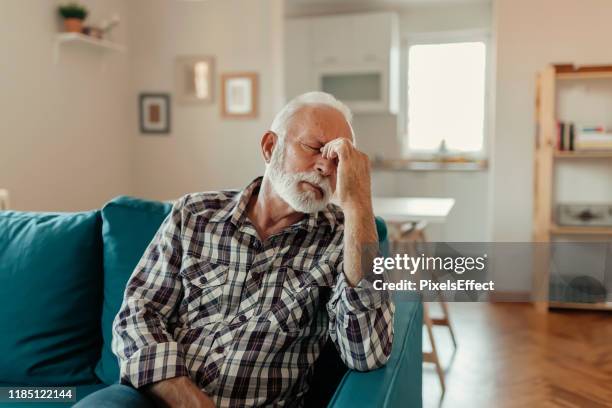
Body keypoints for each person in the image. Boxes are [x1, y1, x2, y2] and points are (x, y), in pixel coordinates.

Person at [76, 92, 394, 408]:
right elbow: (138, 315)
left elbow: (367, 353)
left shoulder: (342, 240)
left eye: (339, 160)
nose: (325, 167)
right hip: (154, 398)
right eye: (314, 148)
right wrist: (189, 400)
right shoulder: (195, 213)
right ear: (270, 147)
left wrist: (359, 203)